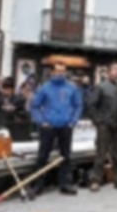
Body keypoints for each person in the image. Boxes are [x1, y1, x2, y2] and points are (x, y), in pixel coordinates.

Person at [30, 62, 83, 195]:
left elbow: (78, 105)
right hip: (49, 126)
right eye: (58, 71)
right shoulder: (45, 88)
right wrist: (41, 121)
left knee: (66, 156)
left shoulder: (71, 88)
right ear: (52, 72)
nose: (61, 74)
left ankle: (65, 184)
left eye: (63, 71)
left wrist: (73, 121)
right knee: (43, 156)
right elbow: (35, 106)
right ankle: (38, 185)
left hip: (65, 126)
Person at [87, 63, 117, 192]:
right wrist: (98, 121)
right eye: (114, 69)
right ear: (109, 72)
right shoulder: (102, 87)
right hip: (105, 125)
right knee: (101, 154)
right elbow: (91, 105)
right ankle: (96, 181)